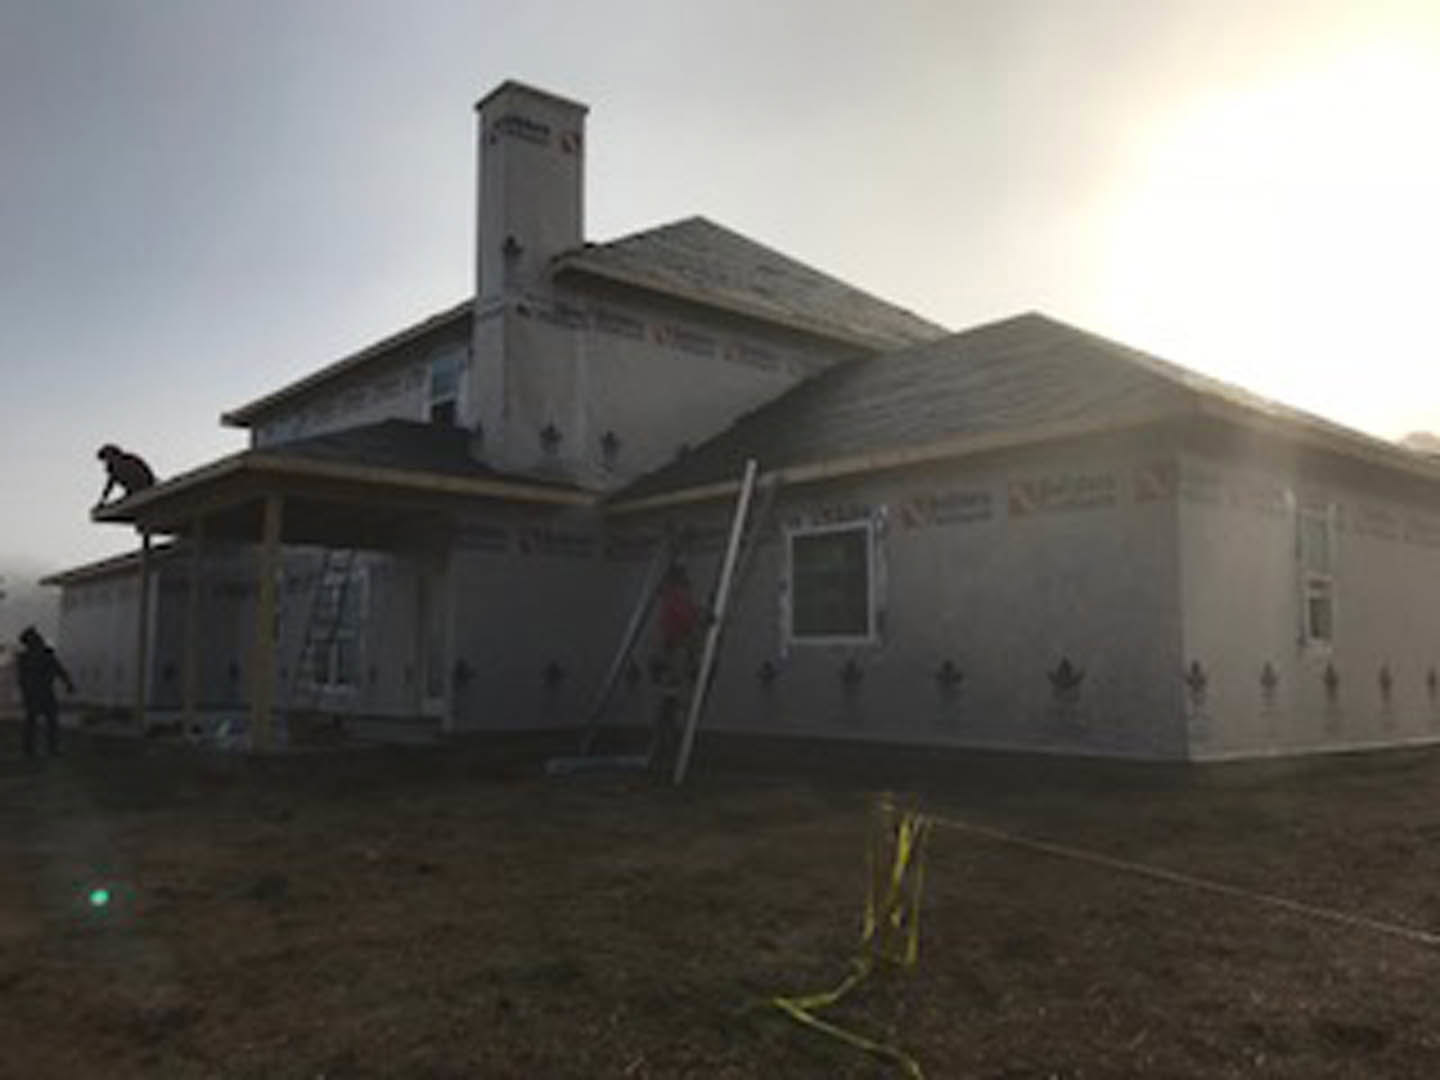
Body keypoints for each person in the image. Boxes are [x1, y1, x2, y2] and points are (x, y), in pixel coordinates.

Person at [17, 627, 74, 758]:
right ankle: (33, 748)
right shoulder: (26, 657)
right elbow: (22, 679)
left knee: (48, 721)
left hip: (43, 692)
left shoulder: (41, 655)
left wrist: (68, 683)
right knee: (36, 722)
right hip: (36, 693)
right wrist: (68, 683)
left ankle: (47, 748)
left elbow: (58, 669)